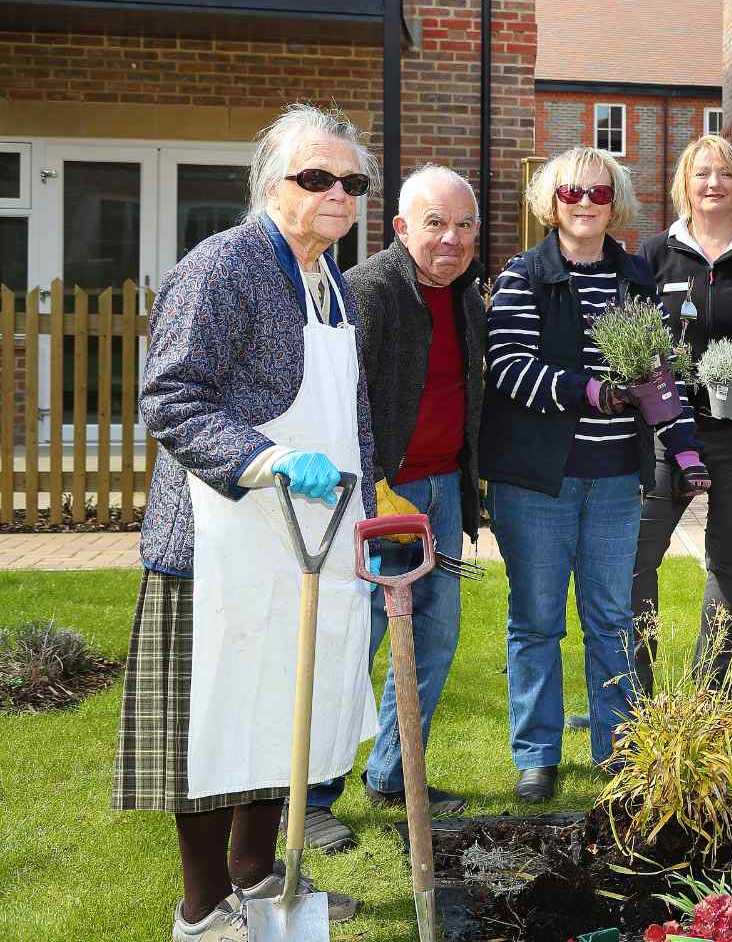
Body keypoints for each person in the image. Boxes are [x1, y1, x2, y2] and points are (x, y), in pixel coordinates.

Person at [114, 104, 378, 940]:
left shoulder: (334, 281)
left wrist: (370, 504)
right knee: (211, 729)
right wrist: (264, 460)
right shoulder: (224, 266)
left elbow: (352, 412)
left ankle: (260, 881)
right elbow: (171, 395)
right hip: (218, 538)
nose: (337, 193)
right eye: (316, 178)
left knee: (281, 715)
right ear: (272, 184)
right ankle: (201, 912)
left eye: (352, 182)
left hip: (311, 542)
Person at [479, 145, 709, 804]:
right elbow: (510, 366)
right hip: (536, 482)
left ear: (617, 204)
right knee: (537, 622)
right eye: (572, 193)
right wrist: (590, 393)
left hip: (613, 478)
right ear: (551, 202)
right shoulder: (525, 275)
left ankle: (618, 748)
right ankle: (536, 753)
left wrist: (686, 450)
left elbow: (660, 372)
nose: (585, 204)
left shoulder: (636, 276)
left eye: (599, 194)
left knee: (611, 619)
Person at [290, 165, 485, 853]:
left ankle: (395, 774)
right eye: (436, 223)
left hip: (443, 494)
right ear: (401, 228)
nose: (451, 239)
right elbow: (340, 399)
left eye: (464, 226)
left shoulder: (465, 296)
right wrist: (371, 483)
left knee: (432, 641)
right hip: (385, 497)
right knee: (358, 641)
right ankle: (313, 796)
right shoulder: (368, 292)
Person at [632, 135, 732, 695]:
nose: (713, 183)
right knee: (635, 557)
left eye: (724, 173)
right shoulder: (653, 257)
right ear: (685, 184)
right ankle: (633, 686)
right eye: (701, 174)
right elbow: (631, 339)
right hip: (668, 434)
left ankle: (712, 693)